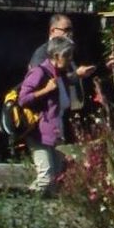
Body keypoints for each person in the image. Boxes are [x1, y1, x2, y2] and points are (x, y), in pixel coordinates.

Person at [27, 12, 98, 126]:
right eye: (66, 30)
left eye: (71, 30)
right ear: (52, 31)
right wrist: (76, 75)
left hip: (73, 110)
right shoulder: (42, 53)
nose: (70, 34)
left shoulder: (71, 50)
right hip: (51, 116)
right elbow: (46, 83)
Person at [19, 40, 71, 191]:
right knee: (45, 178)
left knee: (56, 180)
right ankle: (28, 205)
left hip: (55, 132)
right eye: (67, 56)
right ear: (57, 55)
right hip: (40, 133)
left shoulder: (60, 75)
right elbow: (23, 99)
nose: (70, 60)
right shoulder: (40, 72)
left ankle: (48, 211)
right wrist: (46, 90)